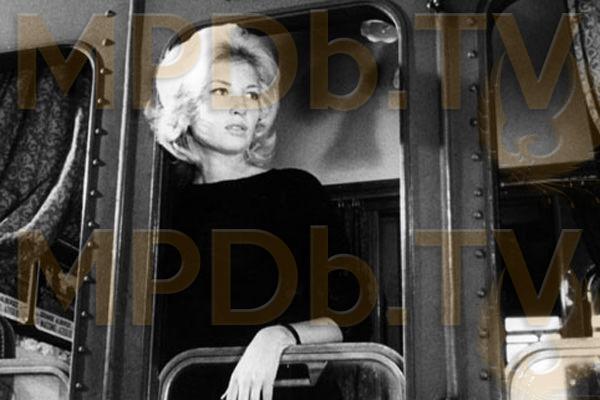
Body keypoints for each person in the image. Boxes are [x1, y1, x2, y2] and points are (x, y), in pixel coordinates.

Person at [145, 23, 370, 400]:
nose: (240, 106)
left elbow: (353, 314)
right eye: (220, 91)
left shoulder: (295, 191)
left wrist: (279, 336)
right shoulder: (162, 209)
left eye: (252, 94)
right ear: (185, 105)